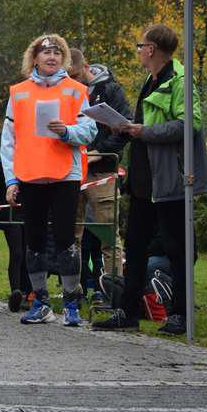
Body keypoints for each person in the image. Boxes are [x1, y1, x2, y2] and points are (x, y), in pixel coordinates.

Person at [92, 24, 207, 335]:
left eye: (140, 46)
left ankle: (180, 314)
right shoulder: (151, 80)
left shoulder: (181, 80)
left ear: (151, 49)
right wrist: (126, 127)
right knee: (135, 246)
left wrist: (143, 131)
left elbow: (189, 124)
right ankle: (127, 311)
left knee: (177, 248)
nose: (139, 51)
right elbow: (147, 122)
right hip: (143, 177)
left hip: (170, 177)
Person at [0, 35, 97, 326]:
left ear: (63, 58)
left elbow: (90, 130)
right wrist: (10, 181)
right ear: (35, 58)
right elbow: (8, 142)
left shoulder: (76, 90)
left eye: (57, 52)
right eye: (46, 52)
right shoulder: (18, 92)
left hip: (65, 173)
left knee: (66, 239)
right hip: (29, 173)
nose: (51, 57)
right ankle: (40, 302)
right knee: (34, 239)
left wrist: (67, 132)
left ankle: (71, 304)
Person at [67, 49, 131, 285]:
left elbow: (126, 128)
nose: (72, 81)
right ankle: (72, 289)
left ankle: (114, 290)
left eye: (74, 75)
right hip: (73, 169)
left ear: (85, 67)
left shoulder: (111, 90)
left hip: (102, 171)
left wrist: (99, 152)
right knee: (71, 235)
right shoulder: (66, 92)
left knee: (108, 235)